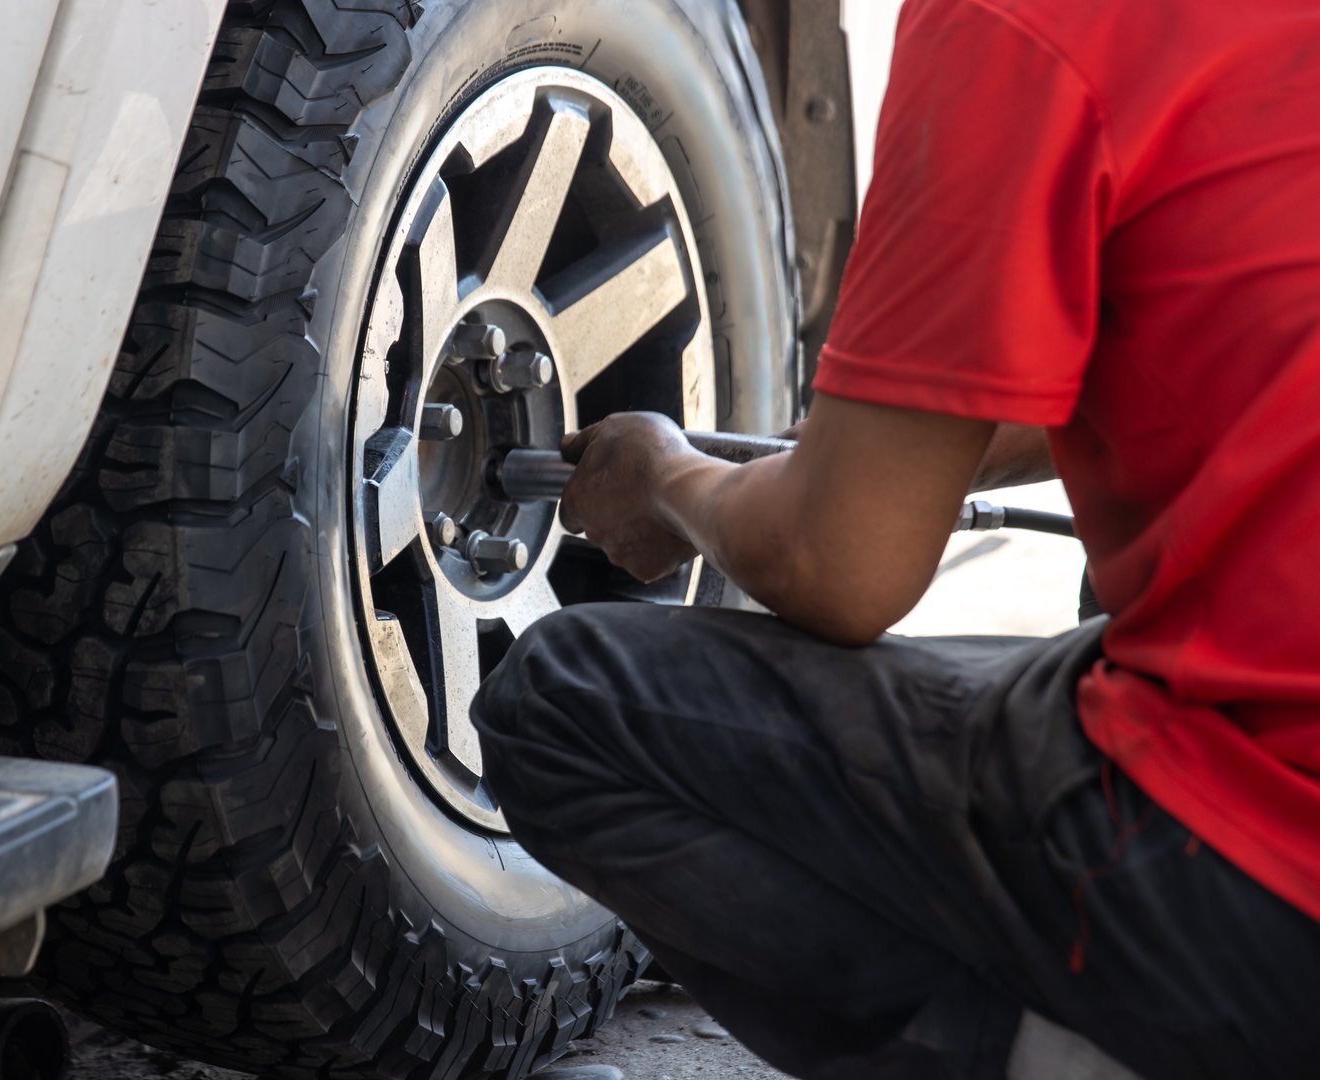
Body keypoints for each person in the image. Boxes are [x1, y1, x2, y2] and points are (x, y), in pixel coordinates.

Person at [470, 0, 1320, 1076]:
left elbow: (842, 567)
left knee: (563, 707)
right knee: (1114, 619)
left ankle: (1068, 1055)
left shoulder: (1018, 22)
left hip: (1269, 873)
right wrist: (859, 445)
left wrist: (672, 482)